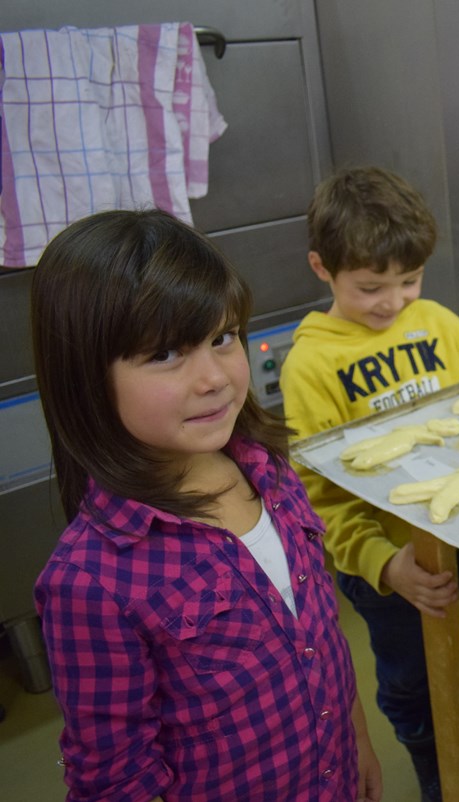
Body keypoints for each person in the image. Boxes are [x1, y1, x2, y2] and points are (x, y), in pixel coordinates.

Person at [30, 210, 381, 802]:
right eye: (166, 354)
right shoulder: (91, 583)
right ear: (85, 378)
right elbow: (115, 779)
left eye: (223, 338)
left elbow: (320, 635)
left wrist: (358, 736)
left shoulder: (268, 471)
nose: (214, 378)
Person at [279, 166, 459, 802]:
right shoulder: (312, 365)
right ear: (321, 268)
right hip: (393, 566)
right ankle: (432, 758)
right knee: (412, 680)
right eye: (370, 287)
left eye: (409, 280)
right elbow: (319, 498)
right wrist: (384, 564)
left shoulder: (438, 324)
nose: (393, 302)